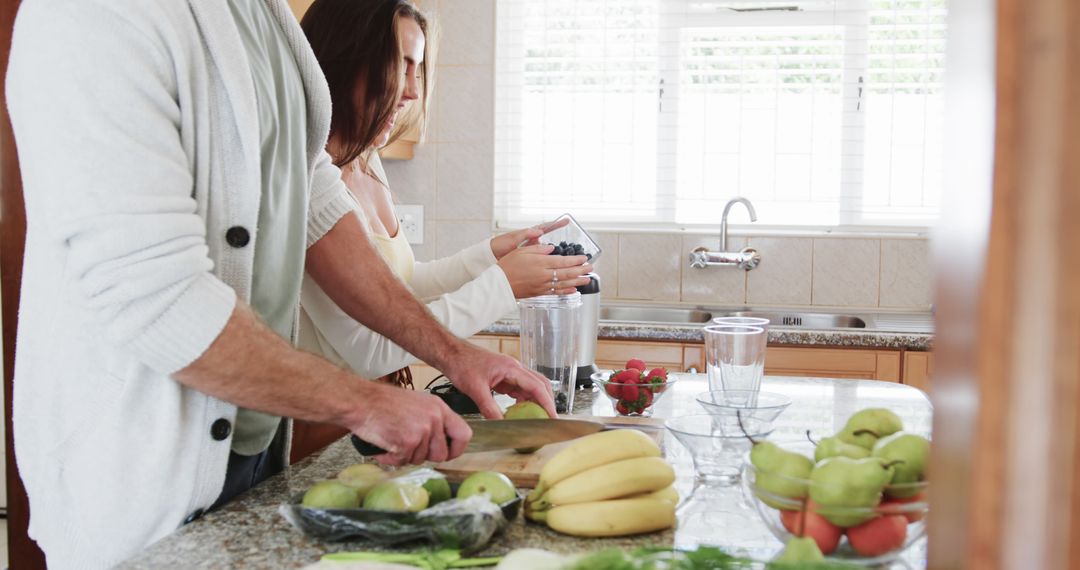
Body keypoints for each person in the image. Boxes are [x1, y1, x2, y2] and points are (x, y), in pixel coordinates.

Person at [5, 0, 554, 567]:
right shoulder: (94, 16)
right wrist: (367, 403)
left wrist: (454, 354)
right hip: (139, 467)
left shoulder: (268, 20)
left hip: (257, 456)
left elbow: (317, 205)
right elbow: (157, 298)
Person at [296, 0, 593, 382]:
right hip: (327, 427)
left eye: (416, 69)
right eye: (399, 64)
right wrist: (502, 284)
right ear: (345, 57)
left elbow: (400, 289)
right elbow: (368, 350)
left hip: (381, 418)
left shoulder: (366, 159)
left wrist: (488, 256)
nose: (411, 91)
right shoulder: (306, 185)